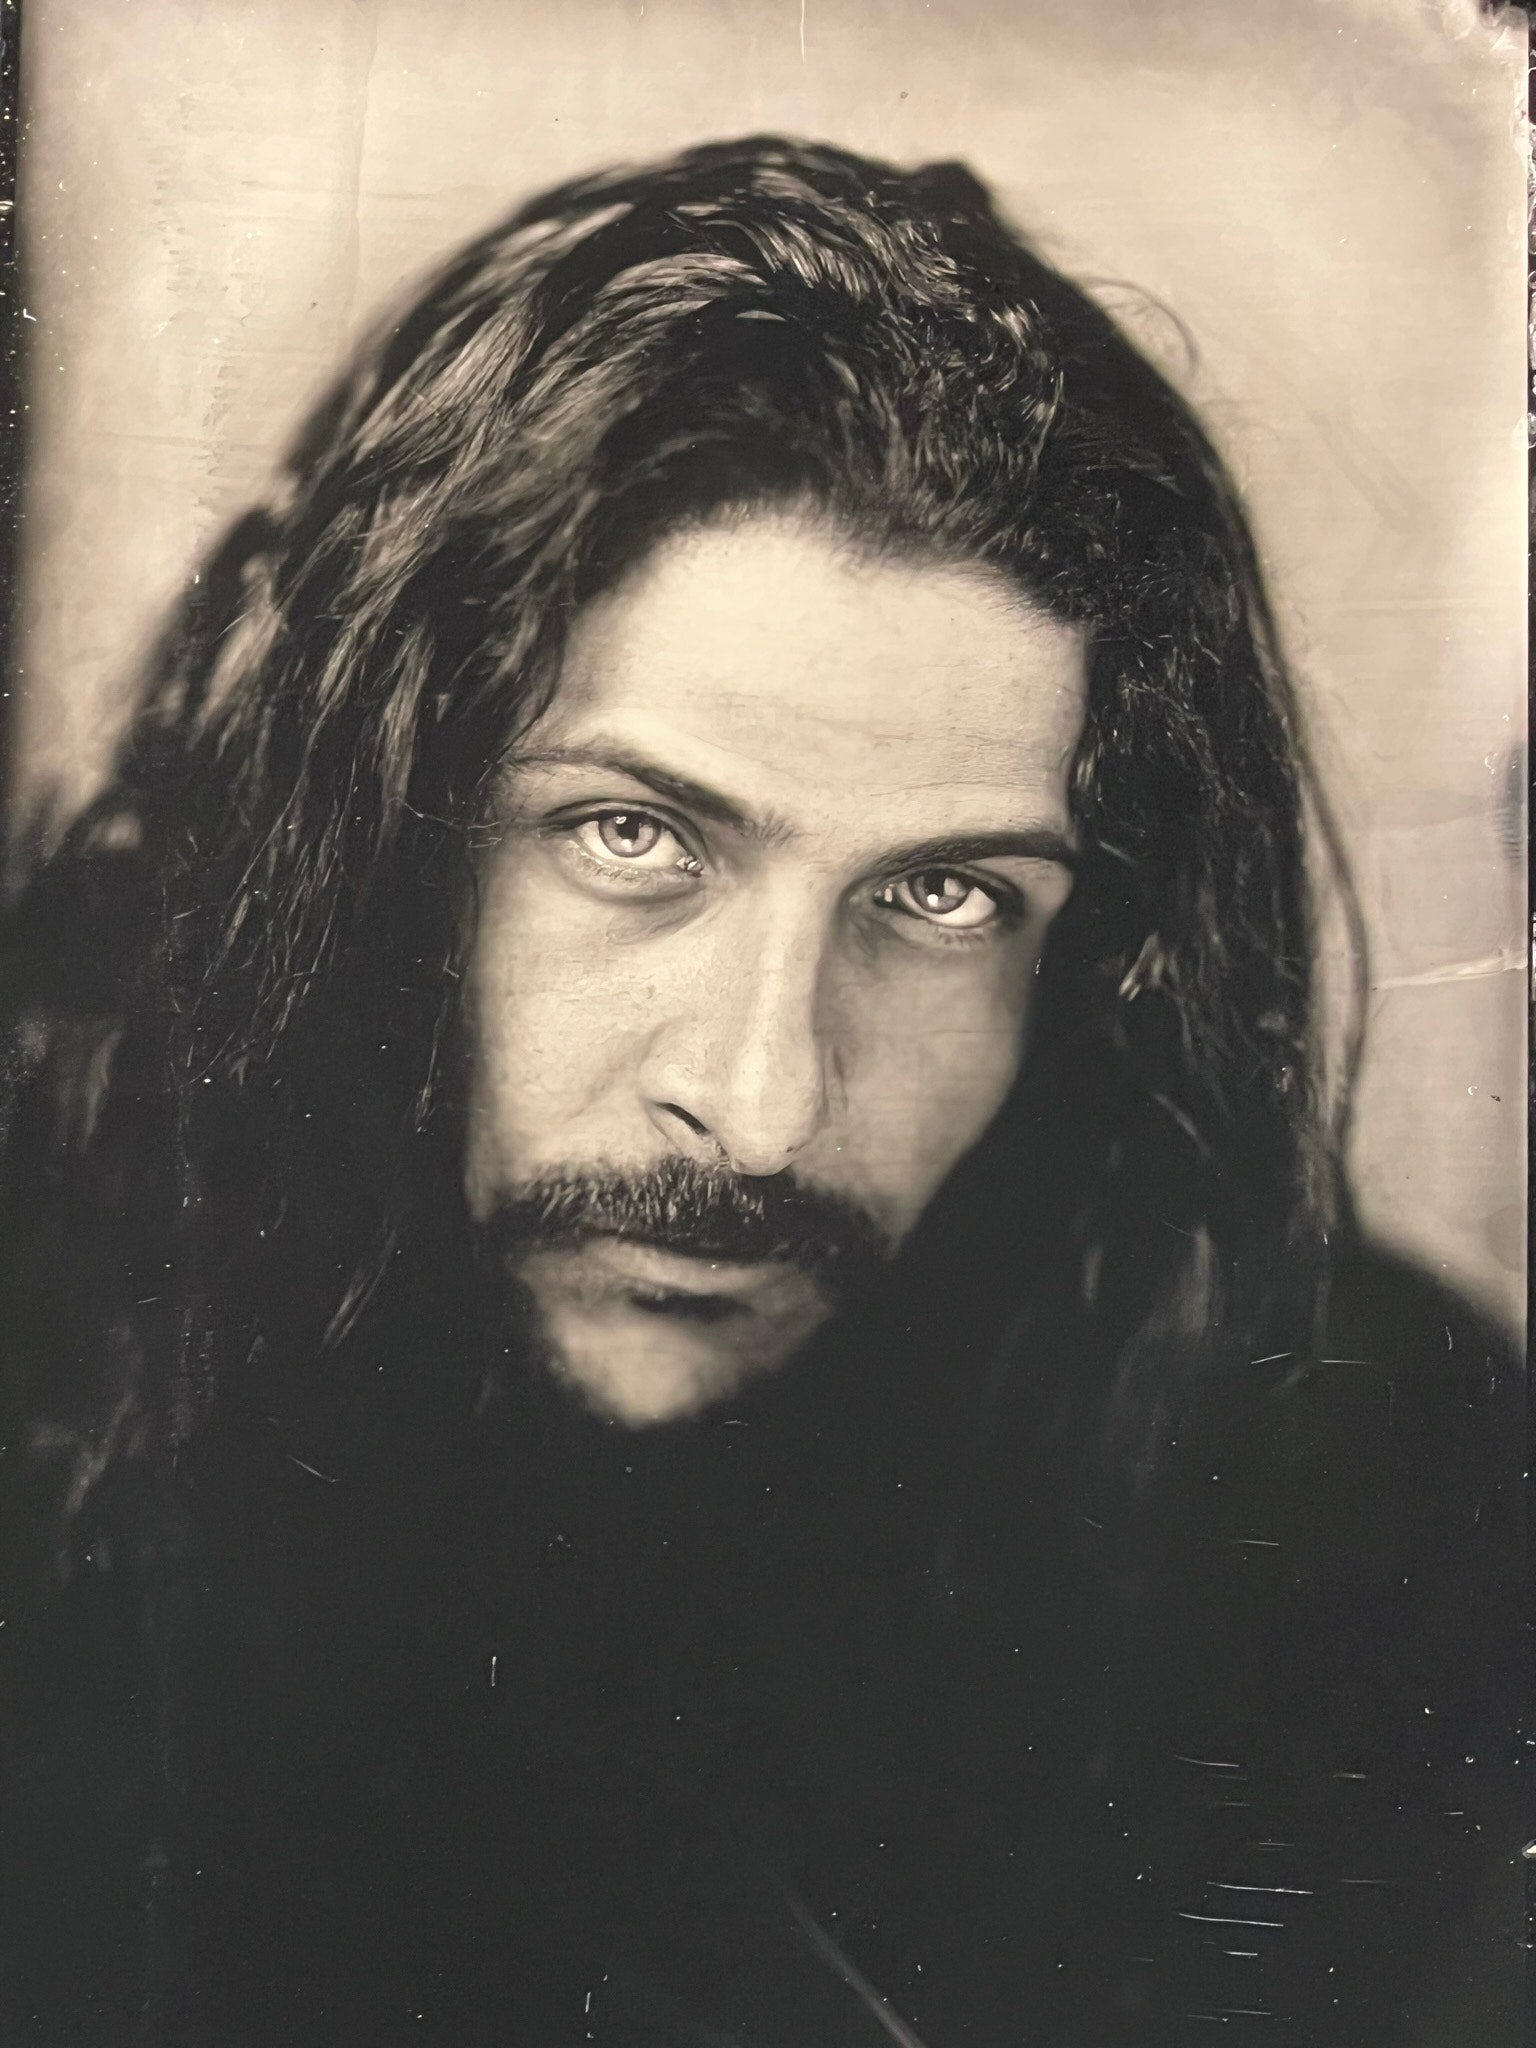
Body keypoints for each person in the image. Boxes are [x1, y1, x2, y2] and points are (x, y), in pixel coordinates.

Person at [0, 136, 1520, 2046]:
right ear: (373, 817)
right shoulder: (48, 1371)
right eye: (631, 835)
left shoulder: (1372, 1509)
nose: (764, 1103)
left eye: (946, 896)